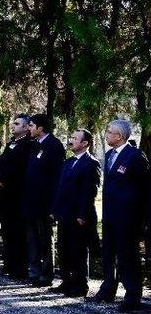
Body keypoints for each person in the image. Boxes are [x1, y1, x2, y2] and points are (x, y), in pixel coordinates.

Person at [89, 120, 151, 312]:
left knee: (127, 257)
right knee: (109, 255)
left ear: (120, 136)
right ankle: (108, 289)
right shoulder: (109, 155)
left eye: (109, 132)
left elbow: (146, 190)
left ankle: (132, 296)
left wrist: (143, 220)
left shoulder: (135, 156)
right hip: (109, 215)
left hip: (128, 217)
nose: (106, 134)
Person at [50, 129, 100, 298]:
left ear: (85, 143)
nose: (70, 141)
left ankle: (80, 285)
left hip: (79, 215)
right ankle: (66, 281)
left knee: (78, 250)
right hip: (64, 214)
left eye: (74, 138)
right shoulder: (68, 162)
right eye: (70, 137)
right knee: (63, 249)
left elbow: (89, 192)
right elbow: (60, 189)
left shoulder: (91, 163)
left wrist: (82, 214)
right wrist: (54, 210)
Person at [23, 114, 65, 287]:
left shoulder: (54, 146)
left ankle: (46, 274)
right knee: (32, 238)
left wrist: (53, 206)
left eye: (31, 126)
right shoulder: (34, 145)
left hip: (45, 203)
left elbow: (56, 179)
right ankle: (34, 271)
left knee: (45, 240)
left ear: (41, 128)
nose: (28, 128)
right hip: (31, 201)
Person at [0, 114, 31, 279]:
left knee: (17, 232)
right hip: (5, 196)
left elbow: (19, 169)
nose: (12, 126)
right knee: (7, 231)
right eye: (12, 123)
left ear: (26, 127)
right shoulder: (11, 144)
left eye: (17, 123)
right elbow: (2, 163)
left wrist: (2, 180)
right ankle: (9, 263)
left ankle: (19, 268)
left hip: (17, 195)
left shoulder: (27, 145)